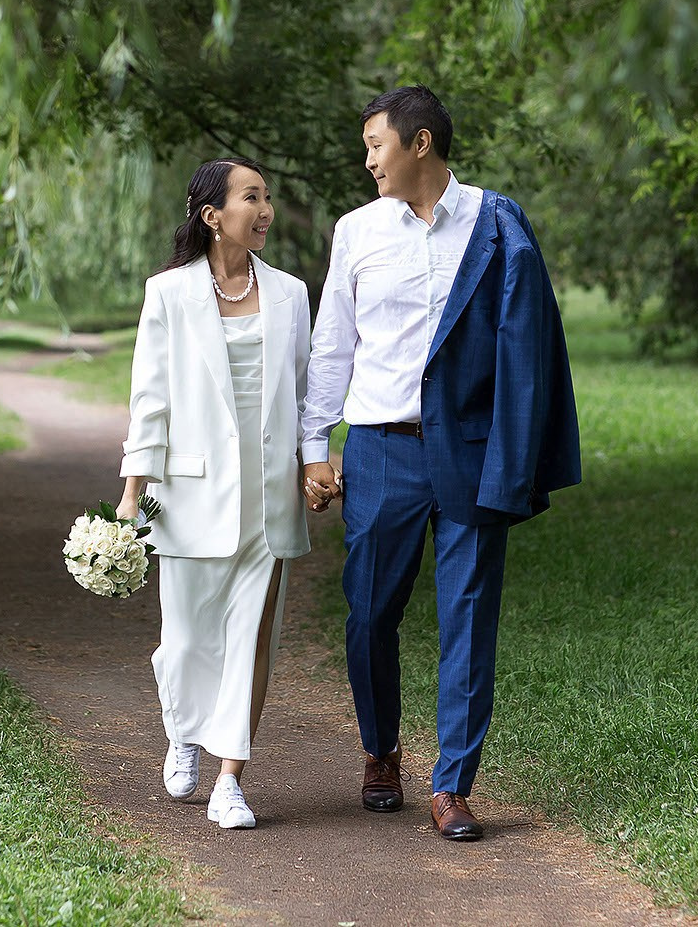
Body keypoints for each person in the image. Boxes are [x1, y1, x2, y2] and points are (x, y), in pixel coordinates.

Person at [299, 85, 580, 841]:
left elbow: (528, 343)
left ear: (420, 143)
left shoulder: (496, 222)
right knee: (369, 614)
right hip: (383, 448)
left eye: (376, 146)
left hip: (471, 450)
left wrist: (518, 454)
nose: (368, 161)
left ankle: (453, 784)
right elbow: (333, 344)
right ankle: (379, 748)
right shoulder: (356, 232)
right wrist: (315, 446)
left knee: (468, 616)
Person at [118, 156, 314, 830]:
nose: (264, 210)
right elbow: (150, 400)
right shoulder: (168, 293)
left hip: (270, 494)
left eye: (267, 197)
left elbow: (308, 392)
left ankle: (231, 777)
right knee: (184, 639)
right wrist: (131, 490)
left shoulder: (290, 293)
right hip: (190, 492)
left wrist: (313, 461)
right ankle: (183, 730)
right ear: (212, 215)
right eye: (250, 197)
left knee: (252, 637)